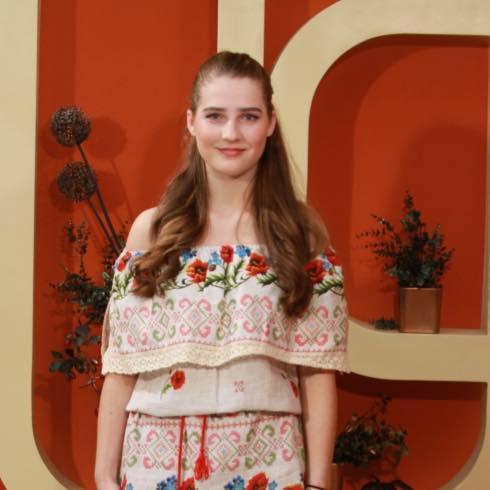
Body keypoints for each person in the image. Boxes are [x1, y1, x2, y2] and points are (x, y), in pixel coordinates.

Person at [94, 51, 349, 490]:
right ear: (192, 122)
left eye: (248, 116)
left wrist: (319, 483)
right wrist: (103, 476)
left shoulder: (301, 233)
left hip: (270, 461)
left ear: (270, 123)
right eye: (215, 116)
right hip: (154, 461)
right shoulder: (151, 232)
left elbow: (317, 369)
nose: (231, 133)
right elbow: (121, 366)